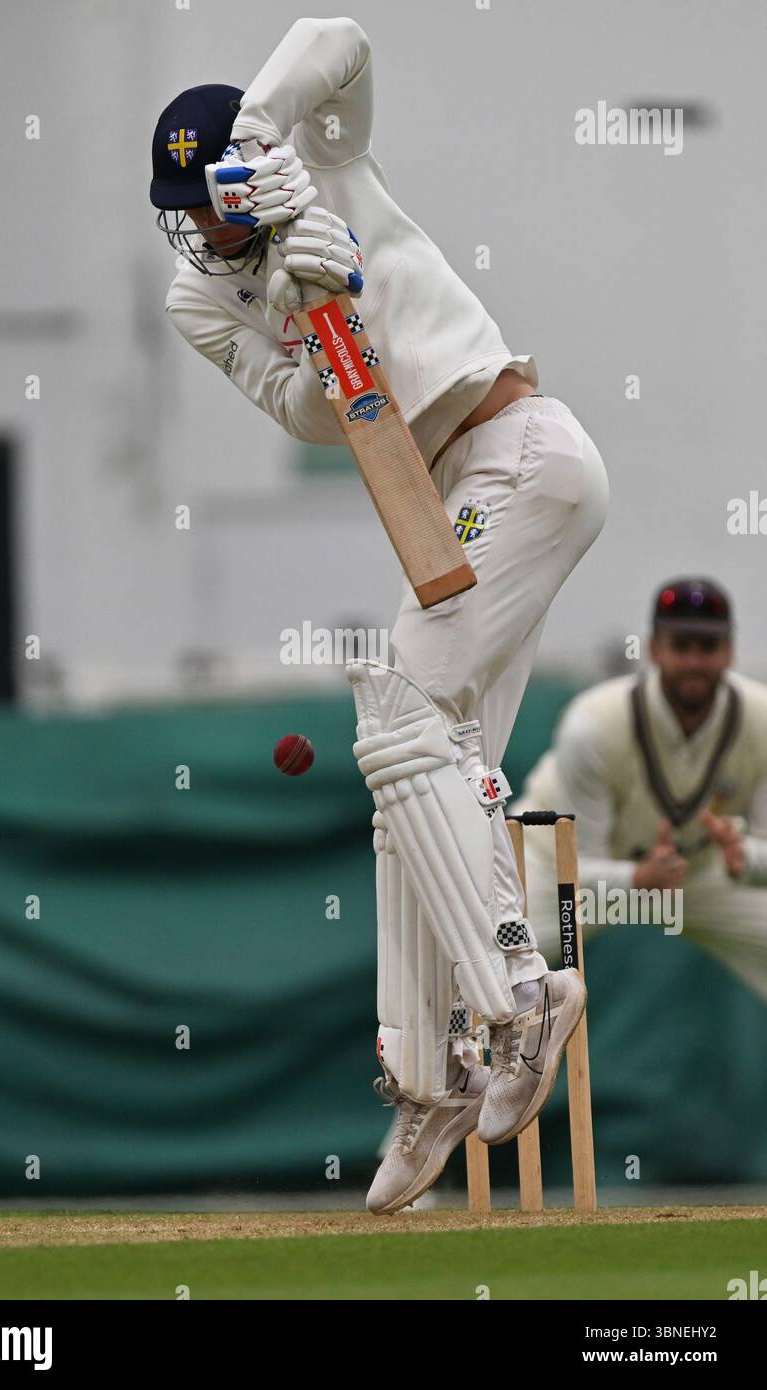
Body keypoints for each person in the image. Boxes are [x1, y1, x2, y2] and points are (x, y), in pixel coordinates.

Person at [150, 17, 609, 1214]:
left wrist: (262, 131)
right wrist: (314, 308)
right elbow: (306, 412)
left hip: (519, 445)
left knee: (397, 696)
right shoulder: (198, 296)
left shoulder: (322, 153)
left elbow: (337, 36)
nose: (198, 226)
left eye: (209, 198)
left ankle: (521, 994)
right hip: (457, 492)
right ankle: (432, 1074)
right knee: (420, 770)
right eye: (185, 207)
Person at [511, 578, 767, 1000]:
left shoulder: (758, 719)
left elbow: (759, 847)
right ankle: (456, 1063)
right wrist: (637, 879)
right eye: (681, 646)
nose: (694, 661)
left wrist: (746, 857)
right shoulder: (593, 724)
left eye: (708, 647)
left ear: (729, 651)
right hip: (562, 873)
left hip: (694, 875)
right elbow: (576, 867)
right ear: (654, 649)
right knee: (487, 965)